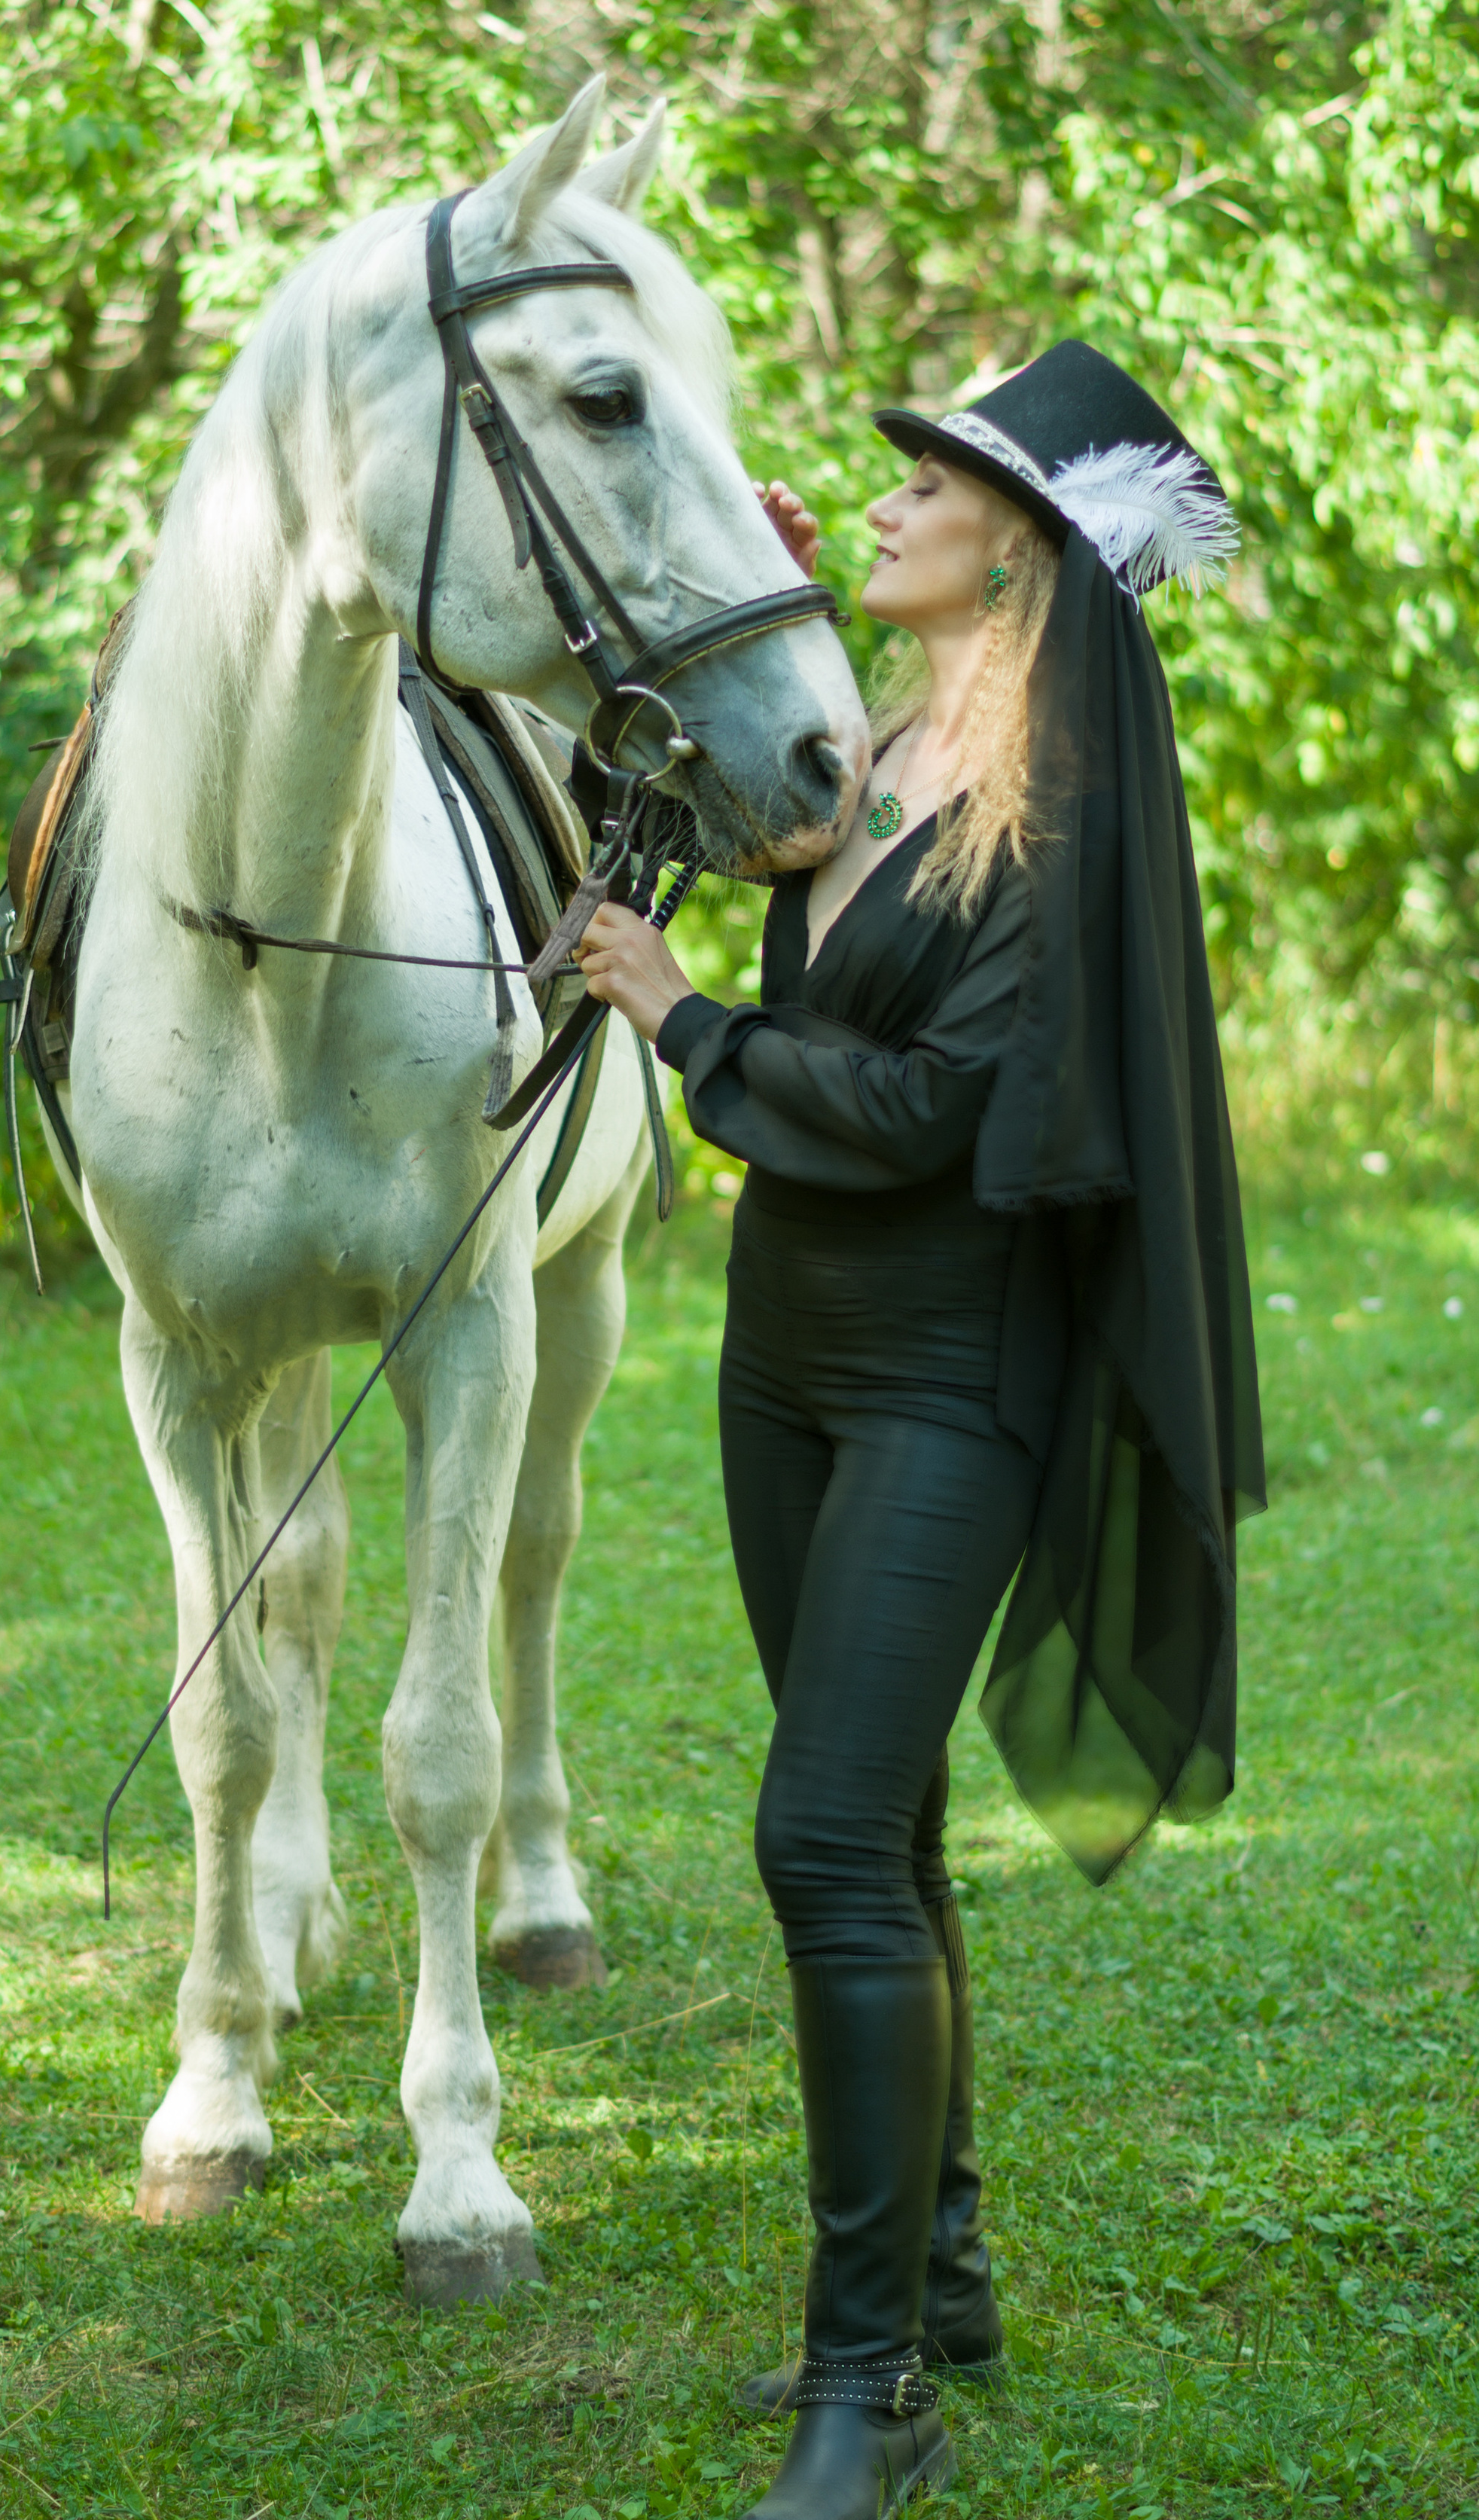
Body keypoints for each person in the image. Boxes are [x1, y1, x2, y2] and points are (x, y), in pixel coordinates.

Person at [577, 343, 1266, 2519]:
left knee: (813, 1837)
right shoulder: (879, 745)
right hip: (780, 1355)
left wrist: (684, 1021)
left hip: (951, 1376)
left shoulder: (1058, 812)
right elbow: (749, 811)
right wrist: (740, 604)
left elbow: (932, 1109)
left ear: (1021, 548)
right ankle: (942, 2267)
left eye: (924, 489)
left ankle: (872, 2389)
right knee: (869, 1828)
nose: (881, 504)